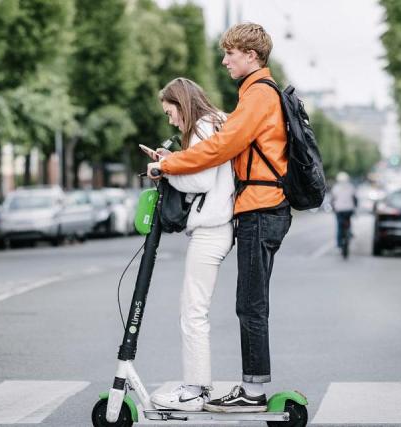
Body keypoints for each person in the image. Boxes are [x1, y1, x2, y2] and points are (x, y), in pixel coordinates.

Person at [147, 23, 288, 413]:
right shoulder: (250, 96)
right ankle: (247, 388)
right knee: (248, 303)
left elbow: (222, 148)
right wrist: (171, 161)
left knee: (250, 305)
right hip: (254, 209)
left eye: (230, 53)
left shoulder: (259, 94)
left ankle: (251, 392)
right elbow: (224, 143)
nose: (224, 60)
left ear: (252, 55)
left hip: (262, 207)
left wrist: (169, 164)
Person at [147, 78, 234, 412]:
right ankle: (197, 387)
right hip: (217, 227)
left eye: (171, 112)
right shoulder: (215, 122)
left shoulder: (202, 126)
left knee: (193, 311)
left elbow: (200, 179)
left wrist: (165, 169)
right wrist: (175, 160)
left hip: (211, 228)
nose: (170, 120)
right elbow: (200, 167)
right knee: (194, 309)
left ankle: (195, 391)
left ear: (182, 104)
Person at [330, 171, 357, 248]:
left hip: (339, 210)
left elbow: (332, 200)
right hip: (349, 209)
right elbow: (355, 199)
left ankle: (339, 243)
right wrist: (355, 207)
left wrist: (333, 208)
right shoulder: (351, 187)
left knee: (339, 226)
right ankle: (349, 233)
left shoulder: (336, 188)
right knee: (348, 221)